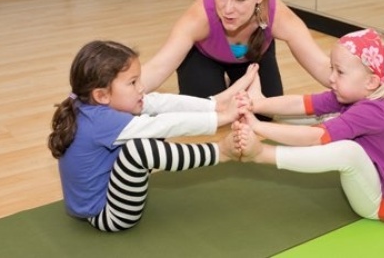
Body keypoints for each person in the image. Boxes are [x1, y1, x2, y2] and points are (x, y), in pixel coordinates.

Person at [48, 40, 254, 232]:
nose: (141, 88)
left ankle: (217, 103)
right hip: (107, 215)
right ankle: (221, 152)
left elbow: (160, 103)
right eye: (132, 83)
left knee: (151, 113)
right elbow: (165, 125)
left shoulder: (92, 104)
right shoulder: (101, 121)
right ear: (101, 95)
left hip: (105, 194)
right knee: (140, 148)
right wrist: (223, 119)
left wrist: (216, 106)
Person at [233, 28, 384, 222]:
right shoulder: (353, 95)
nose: (331, 78)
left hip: (383, 204)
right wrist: (256, 104)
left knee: (348, 151)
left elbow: (315, 138)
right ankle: (263, 108)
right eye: (332, 69)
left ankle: (262, 153)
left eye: (340, 72)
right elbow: (301, 104)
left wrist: (257, 127)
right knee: (321, 115)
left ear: (371, 82)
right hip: (374, 177)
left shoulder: (375, 111)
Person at [140, 0, 331, 101]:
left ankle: (235, 84)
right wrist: (120, 97)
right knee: (205, 113)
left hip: (252, 56)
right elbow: (158, 67)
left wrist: (353, 88)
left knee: (265, 111)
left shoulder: (277, 14)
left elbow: (321, 65)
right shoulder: (200, 15)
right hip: (204, 58)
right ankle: (223, 83)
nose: (227, 9)